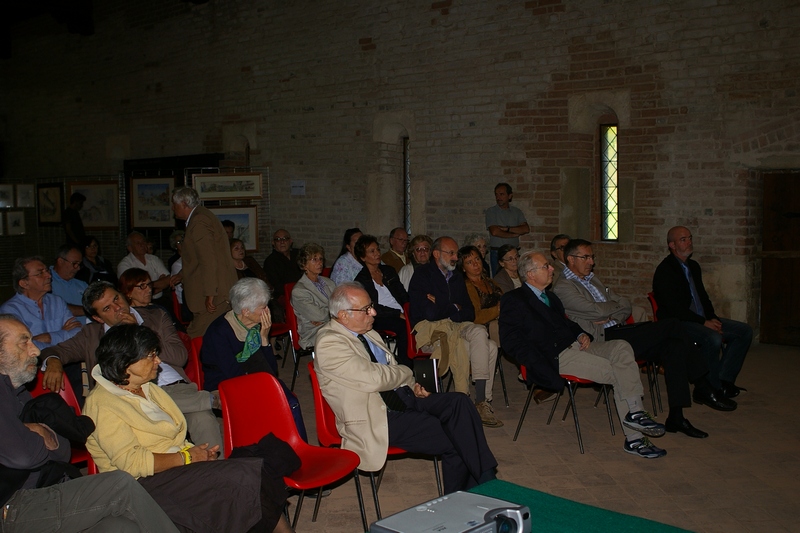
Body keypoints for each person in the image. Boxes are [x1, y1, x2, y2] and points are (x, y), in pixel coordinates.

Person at [83, 324, 298, 533]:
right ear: (125, 364)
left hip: (175, 468)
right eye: (150, 356)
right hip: (141, 485)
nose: (158, 360)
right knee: (244, 476)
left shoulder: (146, 387)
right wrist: (187, 458)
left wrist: (199, 454)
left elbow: (174, 436)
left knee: (267, 455)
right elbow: (131, 463)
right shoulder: (102, 404)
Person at [0, 314, 180, 533]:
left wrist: (35, 432)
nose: (35, 350)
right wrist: (39, 433)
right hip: (13, 506)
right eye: (23, 341)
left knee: (122, 527)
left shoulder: (19, 394)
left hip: (46, 489)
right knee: (119, 484)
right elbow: (25, 456)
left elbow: (62, 451)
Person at [314, 283, 498, 494]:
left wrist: (413, 386)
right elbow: (373, 377)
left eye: (371, 306)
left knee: (460, 402)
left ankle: (484, 483)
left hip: (404, 398)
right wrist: (406, 373)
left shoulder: (367, 332)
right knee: (456, 436)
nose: (373, 312)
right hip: (378, 416)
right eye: (365, 309)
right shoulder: (329, 343)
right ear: (343, 315)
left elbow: (386, 372)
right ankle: (481, 490)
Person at [554, 239, 735, 439]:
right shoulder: (563, 286)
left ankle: (676, 416)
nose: (591, 262)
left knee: (673, 346)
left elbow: (626, 304)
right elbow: (595, 310)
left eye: (592, 257)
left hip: (619, 329)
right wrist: (613, 308)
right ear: (571, 259)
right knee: (673, 325)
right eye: (585, 257)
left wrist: (612, 313)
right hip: (604, 339)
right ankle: (702, 384)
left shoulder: (592, 279)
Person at [499, 251, 668, 458]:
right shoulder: (514, 299)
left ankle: (635, 412)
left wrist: (579, 333)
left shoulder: (550, 297)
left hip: (576, 346)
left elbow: (567, 323)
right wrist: (537, 360)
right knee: (615, 372)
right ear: (531, 274)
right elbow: (510, 341)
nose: (552, 269)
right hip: (555, 356)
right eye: (546, 266)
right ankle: (634, 440)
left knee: (621, 347)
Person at [39, 281, 223, 453]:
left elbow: (180, 356)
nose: (117, 308)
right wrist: (53, 360)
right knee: (199, 408)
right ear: (97, 317)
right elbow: (54, 351)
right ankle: (208, 399)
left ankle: (216, 473)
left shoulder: (155, 317)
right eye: (107, 309)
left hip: (176, 388)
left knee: (203, 418)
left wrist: (142, 334)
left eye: (116, 299)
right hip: (130, 397)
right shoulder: (91, 336)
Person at [408, 237, 500, 427]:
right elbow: (430, 314)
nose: (455, 257)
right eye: (450, 253)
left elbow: (469, 312)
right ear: (436, 254)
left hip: (456, 325)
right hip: (432, 330)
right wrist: (453, 307)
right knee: (490, 347)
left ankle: (481, 401)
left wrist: (447, 307)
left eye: (456, 253)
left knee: (480, 333)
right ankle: (481, 401)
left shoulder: (456, 277)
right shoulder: (422, 275)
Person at [653, 226, 752, 399]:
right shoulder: (665, 271)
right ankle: (708, 389)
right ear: (672, 245)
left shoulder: (694, 266)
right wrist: (703, 323)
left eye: (690, 238)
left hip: (700, 319)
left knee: (744, 331)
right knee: (712, 338)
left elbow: (703, 299)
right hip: (679, 322)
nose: (689, 242)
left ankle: (723, 380)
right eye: (683, 239)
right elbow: (674, 309)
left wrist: (713, 319)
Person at [201, 278, 307, 440]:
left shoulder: (256, 327)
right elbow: (233, 375)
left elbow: (271, 371)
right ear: (245, 311)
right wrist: (261, 386)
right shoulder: (219, 332)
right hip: (225, 382)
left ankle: (297, 445)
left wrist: (264, 339)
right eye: (263, 307)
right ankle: (276, 446)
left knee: (290, 401)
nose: (267, 311)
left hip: (253, 376)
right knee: (271, 404)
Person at [171, 187, 238, 337]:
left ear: (183, 204)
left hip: (216, 294)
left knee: (196, 335)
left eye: (173, 204)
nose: (172, 208)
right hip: (217, 290)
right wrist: (182, 274)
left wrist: (210, 293)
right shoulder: (201, 216)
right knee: (219, 336)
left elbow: (208, 259)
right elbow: (198, 258)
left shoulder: (199, 221)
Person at [353, 234, 411, 367]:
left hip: (401, 311)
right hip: (380, 317)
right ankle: (405, 367)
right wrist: (397, 313)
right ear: (363, 257)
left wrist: (409, 308)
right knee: (403, 327)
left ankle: (426, 363)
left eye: (378, 249)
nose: (377, 254)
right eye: (372, 251)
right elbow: (372, 307)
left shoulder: (388, 271)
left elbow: (402, 294)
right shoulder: (362, 280)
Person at [0, 257, 81, 350]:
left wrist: (49, 337)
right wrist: (62, 334)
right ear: (24, 283)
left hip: (65, 359)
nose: (48, 275)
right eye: (40, 273)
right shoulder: (10, 310)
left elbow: (77, 332)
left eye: (47, 271)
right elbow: (23, 346)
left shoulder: (57, 302)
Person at [291, 243, 336, 349]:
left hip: (330, 325)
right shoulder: (299, 291)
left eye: (321, 259)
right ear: (304, 265)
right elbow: (319, 315)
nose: (319, 263)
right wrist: (338, 314)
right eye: (314, 260)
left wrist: (328, 315)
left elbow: (342, 305)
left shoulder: (329, 283)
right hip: (314, 331)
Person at [459, 246, 502, 348]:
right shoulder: (466, 286)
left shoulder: (491, 282)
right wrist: (498, 309)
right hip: (480, 328)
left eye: (477, 259)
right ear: (463, 268)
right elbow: (475, 316)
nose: (475, 264)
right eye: (469, 262)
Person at [116, 231, 172, 304]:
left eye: (143, 242)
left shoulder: (154, 259)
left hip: (159, 300)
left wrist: (145, 286)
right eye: (138, 243)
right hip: (137, 304)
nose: (142, 245)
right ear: (130, 248)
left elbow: (169, 280)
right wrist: (159, 284)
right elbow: (131, 289)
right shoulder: (125, 264)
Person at [485, 183, 529, 275]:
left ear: (509, 196)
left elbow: (525, 229)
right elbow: (495, 231)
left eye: (501, 194)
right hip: (497, 253)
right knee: (499, 280)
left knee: (515, 279)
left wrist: (507, 229)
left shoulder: (516, 212)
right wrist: (513, 234)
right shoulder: (491, 211)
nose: (498, 197)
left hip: (513, 253)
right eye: (496, 194)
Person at [262, 229, 303, 316]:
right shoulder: (270, 261)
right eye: (278, 239)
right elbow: (276, 286)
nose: (282, 242)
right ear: (273, 243)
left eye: (285, 239)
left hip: (303, 291)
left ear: (290, 241)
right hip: (285, 295)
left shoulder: (298, 255)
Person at [50, 244, 88, 319]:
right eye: (74, 264)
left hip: (84, 329)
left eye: (79, 264)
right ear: (60, 261)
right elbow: (52, 306)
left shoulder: (82, 285)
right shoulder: (45, 282)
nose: (78, 268)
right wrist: (88, 311)